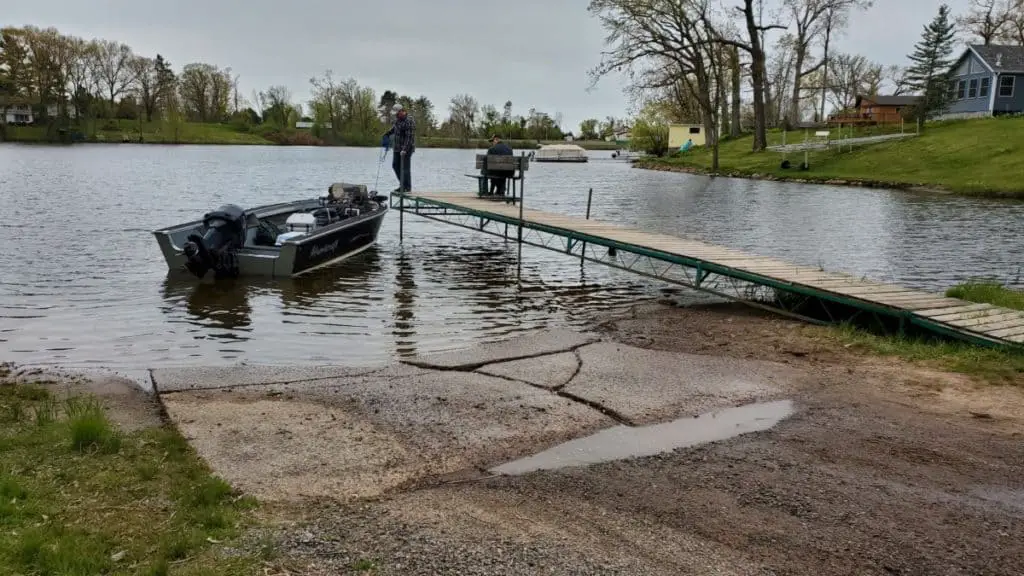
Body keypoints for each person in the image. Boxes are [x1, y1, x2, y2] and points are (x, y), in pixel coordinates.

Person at [383, 103, 416, 192]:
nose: (396, 115)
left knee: (405, 168)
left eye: (397, 113)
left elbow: (409, 137)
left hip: (407, 148)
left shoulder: (409, 121)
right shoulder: (398, 120)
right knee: (395, 166)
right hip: (397, 148)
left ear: (402, 111)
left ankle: (407, 187)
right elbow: (394, 128)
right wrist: (387, 133)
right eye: (395, 114)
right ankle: (402, 185)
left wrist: (404, 149)